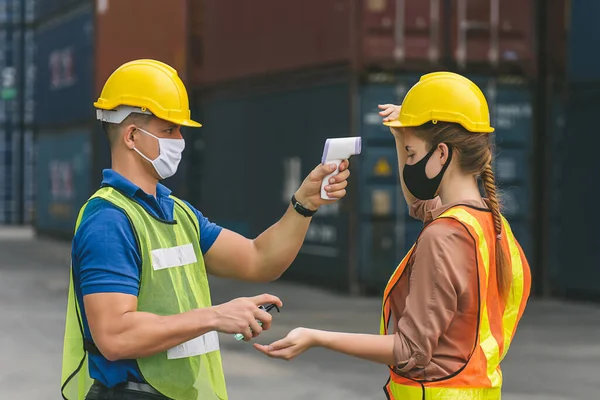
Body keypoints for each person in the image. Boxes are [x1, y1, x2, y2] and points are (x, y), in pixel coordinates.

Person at [60, 59, 352, 400]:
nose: (180, 140)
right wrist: (215, 315)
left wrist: (304, 205)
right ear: (131, 136)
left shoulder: (178, 213)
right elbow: (115, 336)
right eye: (169, 130)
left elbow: (259, 259)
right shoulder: (108, 220)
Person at [254, 71, 532, 399]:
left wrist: (316, 337)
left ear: (442, 154)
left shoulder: (443, 236)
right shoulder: (492, 225)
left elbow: (411, 350)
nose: (408, 164)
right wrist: (403, 136)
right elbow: (420, 203)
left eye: (412, 155)